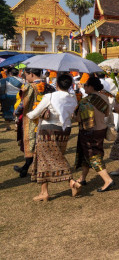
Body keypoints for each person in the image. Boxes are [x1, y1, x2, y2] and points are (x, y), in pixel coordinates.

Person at [26, 73, 78, 201]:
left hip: (48, 130)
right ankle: (44, 192)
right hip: (64, 130)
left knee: (52, 158)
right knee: (46, 159)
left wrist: (26, 113)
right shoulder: (73, 98)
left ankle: (72, 182)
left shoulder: (49, 96)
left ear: (57, 84)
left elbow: (34, 114)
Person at [73, 77, 114, 193]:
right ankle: (82, 178)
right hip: (101, 129)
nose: (84, 87)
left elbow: (79, 118)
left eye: (85, 85)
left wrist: (73, 115)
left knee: (93, 156)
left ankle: (107, 180)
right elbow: (106, 113)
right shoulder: (104, 97)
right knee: (87, 154)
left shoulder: (85, 101)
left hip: (89, 131)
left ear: (91, 87)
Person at [14, 68, 50, 178]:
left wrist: (16, 112)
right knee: (40, 142)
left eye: (26, 75)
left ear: (32, 74)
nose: (25, 77)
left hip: (31, 118)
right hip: (45, 118)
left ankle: (28, 168)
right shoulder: (49, 86)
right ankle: (26, 167)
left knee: (31, 142)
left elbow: (23, 104)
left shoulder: (29, 87)